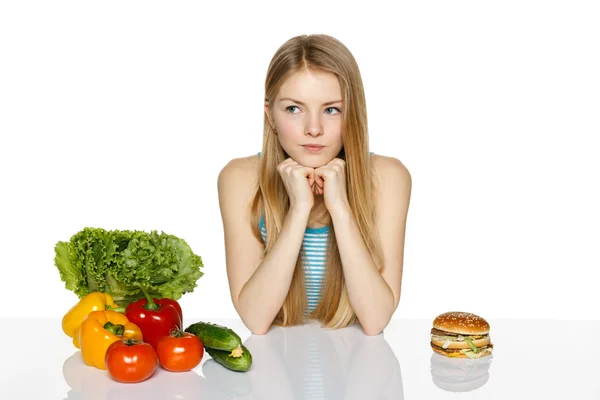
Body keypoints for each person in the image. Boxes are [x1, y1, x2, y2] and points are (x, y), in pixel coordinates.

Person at [217, 34, 411, 336]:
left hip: (358, 373)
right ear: (270, 115)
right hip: (274, 373)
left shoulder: (388, 176)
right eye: (294, 109)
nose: (314, 129)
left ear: (354, 114)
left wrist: (340, 209)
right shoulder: (240, 178)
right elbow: (255, 320)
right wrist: (299, 210)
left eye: (332, 109)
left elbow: (375, 321)